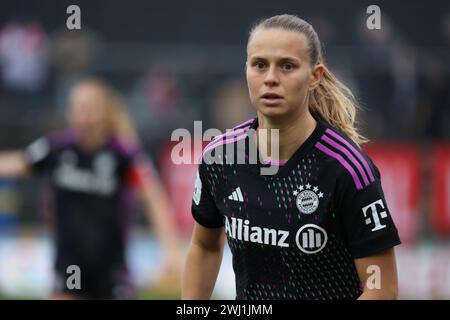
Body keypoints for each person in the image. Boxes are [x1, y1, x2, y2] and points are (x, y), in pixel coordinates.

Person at [182, 14, 401, 300]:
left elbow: (382, 287)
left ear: (315, 76)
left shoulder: (347, 169)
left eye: (287, 66)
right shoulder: (220, 158)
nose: (271, 78)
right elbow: (205, 245)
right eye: (259, 65)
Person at [0, 78, 181, 299]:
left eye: (90, 107)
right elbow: (16, 163)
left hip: (111, 267)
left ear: (105, 112)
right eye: (78, 107)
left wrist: (170, 250)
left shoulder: (125, 154)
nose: (84, 114)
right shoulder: (55, 148)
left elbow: (154, 198)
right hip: (71, 266)